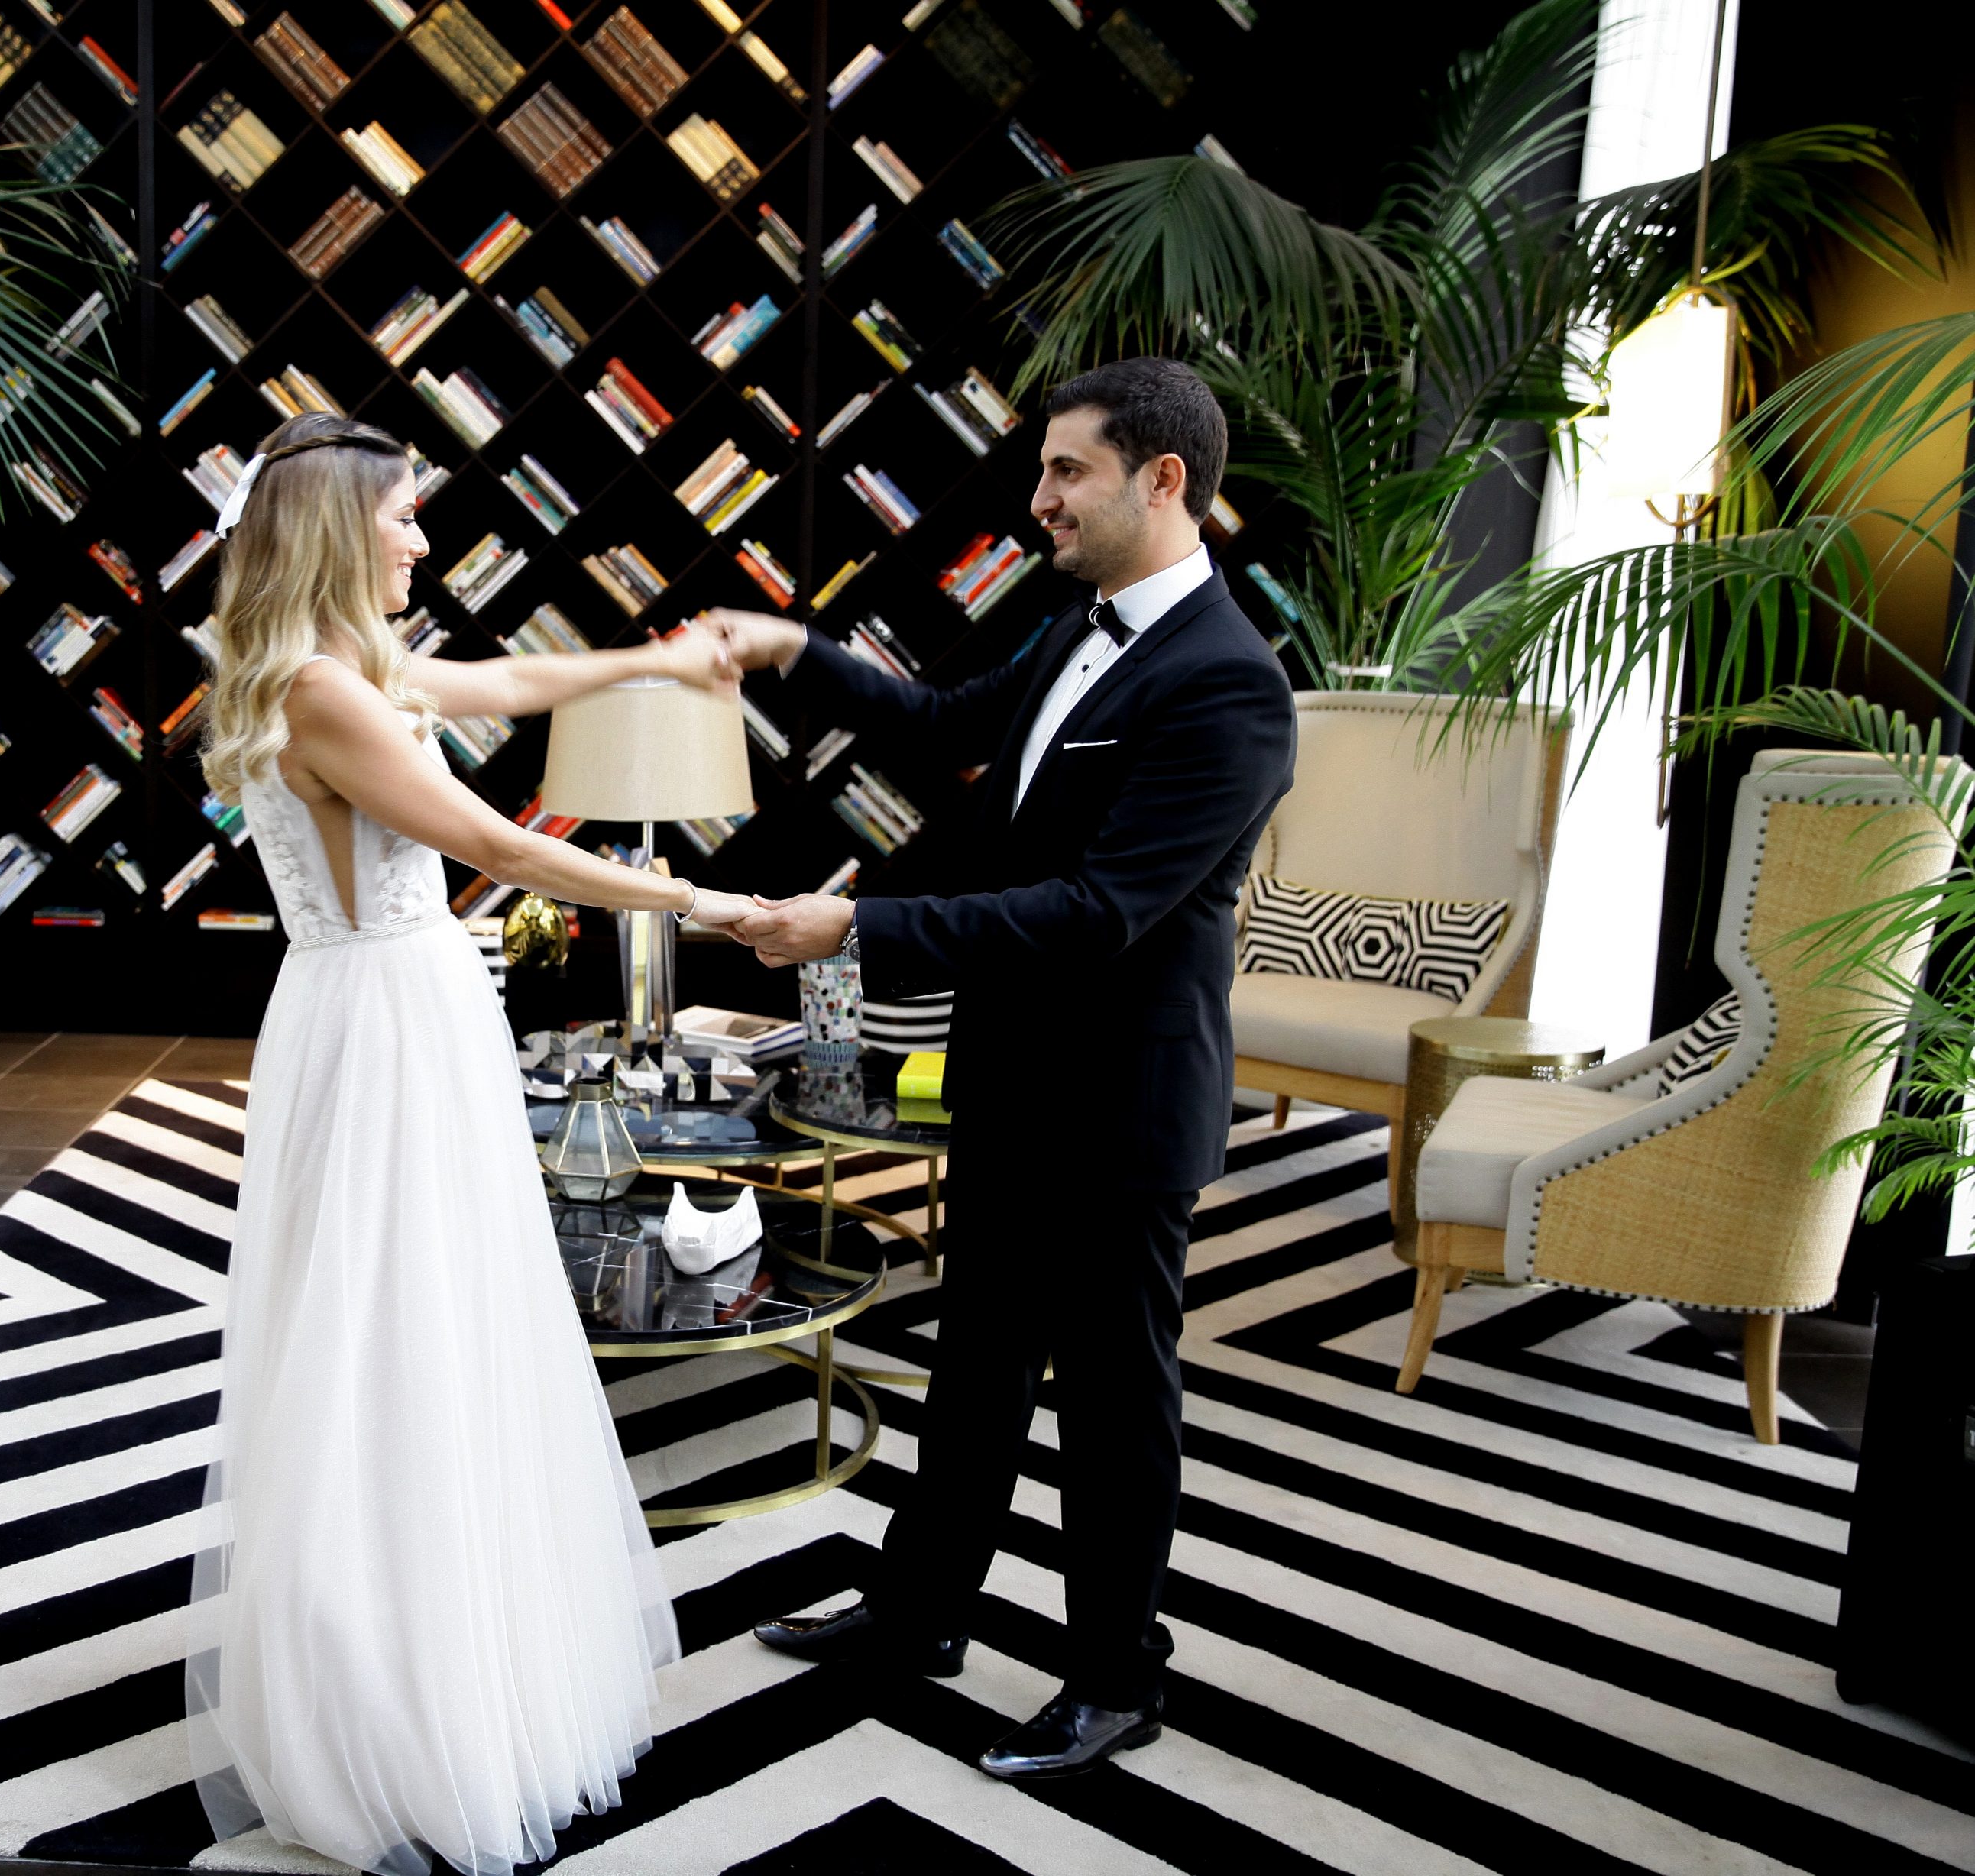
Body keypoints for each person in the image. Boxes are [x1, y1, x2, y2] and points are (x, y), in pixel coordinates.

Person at [696, 359, 1296, 1781]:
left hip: (1123, 1105)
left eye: (1067, 471)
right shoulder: (1078, 618)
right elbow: (942, 720)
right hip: (1015, 1074)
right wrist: (792, 649)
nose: (1040, 500)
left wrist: (858, 929)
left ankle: (1116, 1680)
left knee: (1113, 1404)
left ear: (1164, 480)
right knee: (974, 1368)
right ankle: (919, 1615)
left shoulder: (1231, 685)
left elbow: (1097, 912)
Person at [186, 412, 756, 1875]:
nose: (422, 538)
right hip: (385, 1021)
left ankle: (437, 1645)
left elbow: (505, 682)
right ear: (339, 528)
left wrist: (646, 659)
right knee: (393, 1332)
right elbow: (494, 846)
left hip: (386, 1008)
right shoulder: (324, 692)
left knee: (421, 1319)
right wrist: (708, 910)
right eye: (405, 515)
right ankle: (403, 1703)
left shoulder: (341, 665)